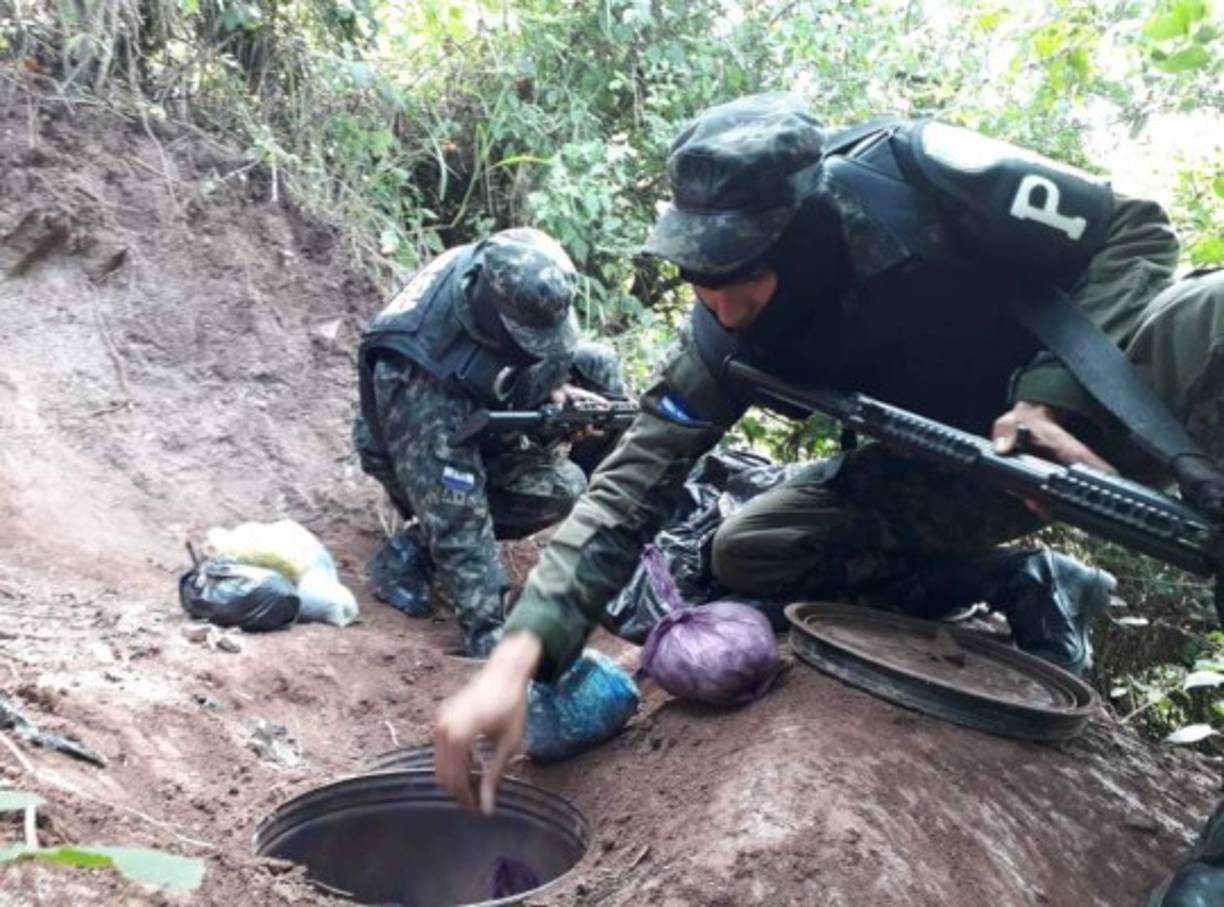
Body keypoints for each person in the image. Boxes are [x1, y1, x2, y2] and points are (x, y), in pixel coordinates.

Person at [432, 95, 1224, 901]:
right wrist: (519, 654)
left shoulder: (927, 176)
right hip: (968, 470)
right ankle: (1024, 580)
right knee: (751, 548)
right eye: (702, 279)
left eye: (743, 275)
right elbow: (628, 488)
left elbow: (1136, 228)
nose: (723, 306)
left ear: (803, 231)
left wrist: (1055, 399)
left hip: (1119, 406)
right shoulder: (722, 333)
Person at [352, 227, 626, 657]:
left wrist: (553, 393)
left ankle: (603, 544)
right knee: (558, 488)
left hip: (482, 395)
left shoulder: (517, 257)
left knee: (601, 374)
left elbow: (533, 359)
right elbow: (457, 511)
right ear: (492, 320)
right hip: (410, 444)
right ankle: (416, 549)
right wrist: (491, 634)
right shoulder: (420, 378)